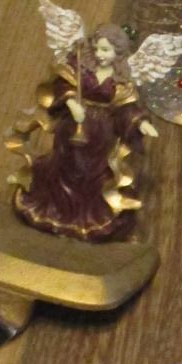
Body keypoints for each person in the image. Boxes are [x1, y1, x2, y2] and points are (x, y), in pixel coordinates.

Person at [13, 28, 160, 242]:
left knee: (93, 173)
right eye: (97, 49)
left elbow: (126, 110)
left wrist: (141, 123)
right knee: (65, 166)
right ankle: (55, 207)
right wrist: (72, 103)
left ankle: (88, 216)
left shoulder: (121, 82)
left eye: (106, 50)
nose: (100, 54)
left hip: (100, 133)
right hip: (72, 126)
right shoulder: (82, 70)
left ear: (118, 53)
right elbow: (62, 87)